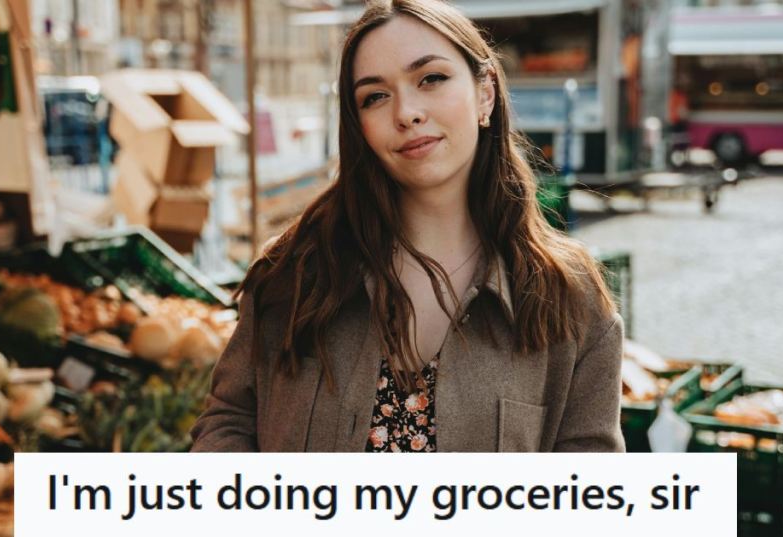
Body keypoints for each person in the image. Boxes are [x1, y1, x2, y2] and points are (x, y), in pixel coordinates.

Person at [190, 0, 623, 453]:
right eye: (375, 96)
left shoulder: (570, 298)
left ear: (485, 94)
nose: (407, 113)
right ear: (359, 126)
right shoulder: (296, 270)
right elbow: (229, 419)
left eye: (431, 78)